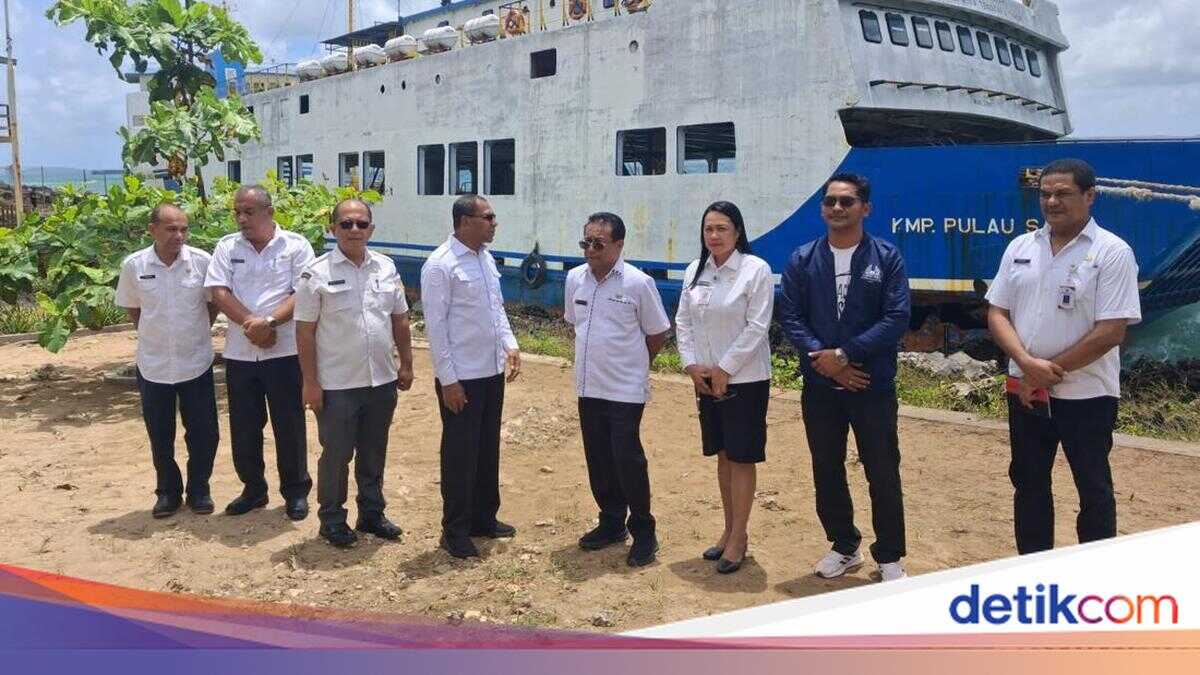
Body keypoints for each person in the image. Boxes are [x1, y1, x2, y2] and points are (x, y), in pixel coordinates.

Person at [985, 158, 1141, 554]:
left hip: (1087, 394)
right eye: (1045, 194)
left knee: (1092, 487)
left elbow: (1111, 331)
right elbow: (997, 312)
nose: (1052, 201)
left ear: (1090, 196)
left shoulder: (1112, 252)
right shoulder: (1021, 247)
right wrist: (1026, 363)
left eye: (1063, 193)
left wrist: (1045, 371)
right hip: (1026, 391)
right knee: (1029, 482)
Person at [779, 173, 911, 582]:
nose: (837, 208)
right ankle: (843, 545)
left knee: (882, 470)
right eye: (831, 202)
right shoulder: (803, 258)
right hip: (820, 386)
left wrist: (846, 355)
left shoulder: (886, 257)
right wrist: (825, 360)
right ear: (822, 208)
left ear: (865, 208)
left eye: (847, 202)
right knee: (827, 468)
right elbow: (790, 315)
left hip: (870, 384)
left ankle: (889, 556)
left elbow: (897, 317)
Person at [295, 199, 415, 548]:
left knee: (374, 451)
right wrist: (310, 382)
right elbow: (304, 332)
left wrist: (405, 364)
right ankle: (332, 519)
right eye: (345, 224)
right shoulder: (315, 273)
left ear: (371, 230)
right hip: (337, 384)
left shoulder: (386, 267)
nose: (354, 230)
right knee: (336, 454)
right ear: (332, 229)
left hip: (380, 380)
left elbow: (400, 319)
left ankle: (372, 514)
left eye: (361, 224)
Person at [564, 212, 672, 567]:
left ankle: (643, 530)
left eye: (599, 243)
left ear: (619, 245)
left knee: (627, 458)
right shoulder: (575, 279)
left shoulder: (638, 283)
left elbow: (657, 332)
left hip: (625, 387)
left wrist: (637, 364)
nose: (591, 250)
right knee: (598, 456)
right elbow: (574, 324)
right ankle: (611, 521)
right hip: (588, 384)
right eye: (586, 242)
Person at [204, 185, 315, 520]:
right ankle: (253, 490)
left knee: (289, 424)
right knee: (245, 426)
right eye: (237, 212)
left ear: (269, 211)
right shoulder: (227, 246)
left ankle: (295, 491)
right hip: (240, 353)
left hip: (284, 353)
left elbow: (304, 292)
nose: (241, 218)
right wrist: (252, 325)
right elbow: (219, 291)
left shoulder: (296, 245)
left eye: (248, 212)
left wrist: (268, 322)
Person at [675, 201, 774, 575]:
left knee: (742, 456)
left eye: (722, 229)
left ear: (737, 232)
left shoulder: (755, 270)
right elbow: (683, 321)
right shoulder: (693, 271)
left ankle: (740, 538)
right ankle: (729, 530)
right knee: (722, 454)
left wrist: (725, 368)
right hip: (704, 378)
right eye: (708, 229)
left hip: (744, 380)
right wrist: (690, 365)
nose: (714, 236)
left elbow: (757, 326)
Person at [421, 194, 522, 559]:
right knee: (460, 456)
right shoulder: (441, 265)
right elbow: (436, 328)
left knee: (486, 449)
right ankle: (456, 529)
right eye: (488, 217)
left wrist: (510, 344)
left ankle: (484, 518)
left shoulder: (485, 258)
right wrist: (448, 380)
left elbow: (496, 309)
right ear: (465, 221)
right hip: (461, 377)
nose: (495, 223)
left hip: (490, 370)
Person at [115, 203, 220, 518]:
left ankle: (199, 489)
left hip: (195, 363)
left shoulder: (202, 262)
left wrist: (196, 331)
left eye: (184, 229)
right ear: (153, 230)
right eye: (172, 229)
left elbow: (213, 305)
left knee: (204, 432)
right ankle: (168, 493)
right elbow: (134, 309)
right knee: (160, 433)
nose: (179, 235)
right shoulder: (134, 266)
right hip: (154, 365)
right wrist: (156, 334)